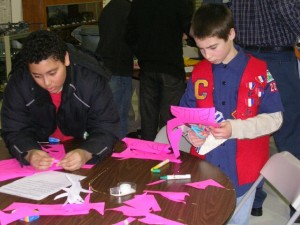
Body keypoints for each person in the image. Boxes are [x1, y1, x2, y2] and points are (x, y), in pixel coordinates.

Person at [179, 4, 283, 224]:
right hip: (204, 169)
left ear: (231, 34)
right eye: (201, 49)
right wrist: (190, 133)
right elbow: (185, 115)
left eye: (213, 47)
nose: (207, 55)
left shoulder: (259, 71)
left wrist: (235, 128)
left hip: (243, 174)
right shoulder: (199, 73)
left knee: (236, 220)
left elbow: (275, 119)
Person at [1, 30, 120, 171]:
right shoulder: (19, 83)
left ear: (66, 59)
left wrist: (86, 152)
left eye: (52, 73)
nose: (46, 82)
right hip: (38, 148)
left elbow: (107, 127)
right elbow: (14, 130)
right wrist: (30, 152)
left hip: (81, 145)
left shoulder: (91, 80)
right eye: (37, 76)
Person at [229, 0, 300, 219]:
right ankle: (297, 205)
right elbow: (289, 12)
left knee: (248, 131)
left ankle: (252, 198)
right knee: (289, 133)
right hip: (277, 60)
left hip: (243, 58)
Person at [125, 0, 194, 141]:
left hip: (148, 67)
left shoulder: (139, 3)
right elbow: (192, 29)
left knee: (148, 120)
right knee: (170, 120)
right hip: (171, 66)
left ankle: (147, 158)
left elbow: (129, 35)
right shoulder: (181, 2)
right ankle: (168, 158)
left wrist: (142, 53)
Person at [96, 0, 134, 138]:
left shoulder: (108, 9)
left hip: (104, 66)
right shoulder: (130, 9)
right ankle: (119, 150)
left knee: (107, 115)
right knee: (120, 116)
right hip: (120, 67)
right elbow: (134, 38)